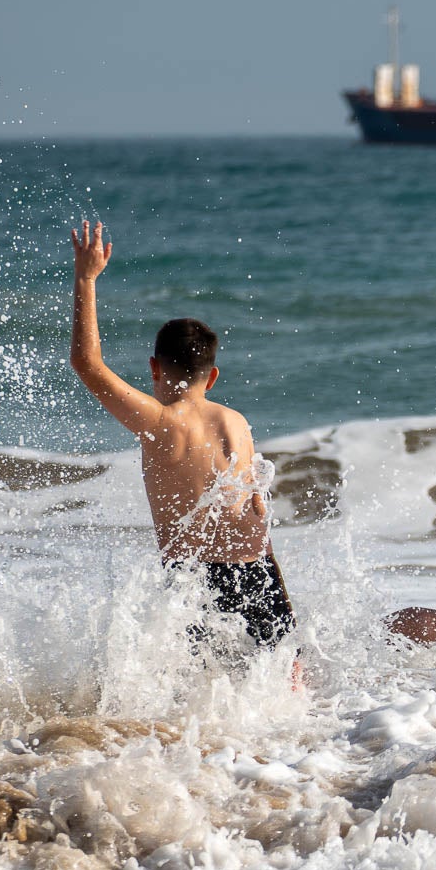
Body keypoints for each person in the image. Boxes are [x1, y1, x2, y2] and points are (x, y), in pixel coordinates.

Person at [69, 221, 296, 657]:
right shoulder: (238, 423)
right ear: (212, 376)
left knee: (198, 698)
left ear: (155, 369)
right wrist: (281, 603)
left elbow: (87, 363)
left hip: (196, 579)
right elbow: (258, 511)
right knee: (283, 685)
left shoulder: (159, 422)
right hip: (258, 571)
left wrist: (86, 278)